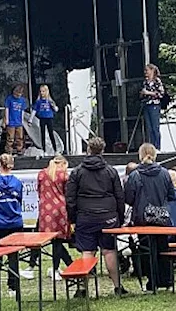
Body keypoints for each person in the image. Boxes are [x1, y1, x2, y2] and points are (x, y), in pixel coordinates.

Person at [67, 137, 128, 295]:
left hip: (85, 216)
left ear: (88, 150)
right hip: (108, 216)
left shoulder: (77, 172)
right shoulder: (111, 171)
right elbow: (119, 196)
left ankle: (82, 289)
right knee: (109, 251)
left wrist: (73, 218)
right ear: (103, 150)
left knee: (87, 251)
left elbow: (70, 199)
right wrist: (119, 218)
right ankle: (117, 286)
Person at [124, 143, 176, 290]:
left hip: (142, 218)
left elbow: (128, 198)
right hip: (162, 217)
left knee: (146, 249)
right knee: (163, 248)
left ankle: (152, 281)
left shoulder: (135, 175)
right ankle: (166, 280)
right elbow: (172, 195)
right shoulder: (165, 173)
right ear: (155, 155)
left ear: (140, 156)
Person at [0, 154, 25, 297]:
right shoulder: (18, 182)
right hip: (15, 222)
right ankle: (12, 287)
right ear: (12, 165)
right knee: (13, 256)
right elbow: (20, 199)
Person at [38, 155, 75, 283]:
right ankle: (56, 268)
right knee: (58, 240)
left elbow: (39, 191)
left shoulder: (42, 174)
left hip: (45, 210)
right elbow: (68, 193)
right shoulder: (64, 176)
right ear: (63, 164)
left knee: (54, 241)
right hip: (59, 210)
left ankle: (64, 265)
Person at [139, 64, 166, 149]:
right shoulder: (145, 82)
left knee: (155, 127)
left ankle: (157, 147)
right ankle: (152, 147)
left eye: (147, 70)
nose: (145, 72)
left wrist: (148, 93)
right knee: (149, 128)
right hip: (147, 105)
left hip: (154, 105)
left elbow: (161, 93)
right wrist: (143, 94)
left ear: (152, 71)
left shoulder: (157, 81)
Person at [4, 84, 30, 155]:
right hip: (11, 121)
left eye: (19, 94)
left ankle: (19, 150)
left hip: (19, 121)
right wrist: (6, 119)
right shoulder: (9, 99)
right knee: (10, 137)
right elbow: (7, 109)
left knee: (20, 137)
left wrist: (22, 120)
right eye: (16, 94)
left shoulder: (22, 100)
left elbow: (22, 111)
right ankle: (9, 151)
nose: (17, 96)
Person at [33, 85, 59, 153]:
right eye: (41, 91)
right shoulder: (39, 101)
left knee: (51, 133)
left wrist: (54, 107)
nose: (42, 93)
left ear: (46, 92)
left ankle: (55, 149)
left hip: (49, 118)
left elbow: (55, 109)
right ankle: (44, 150)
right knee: (42, 134)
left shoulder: (50, 101)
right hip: (42, 118)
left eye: (43, 91)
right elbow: (35, 110)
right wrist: (30, 119)